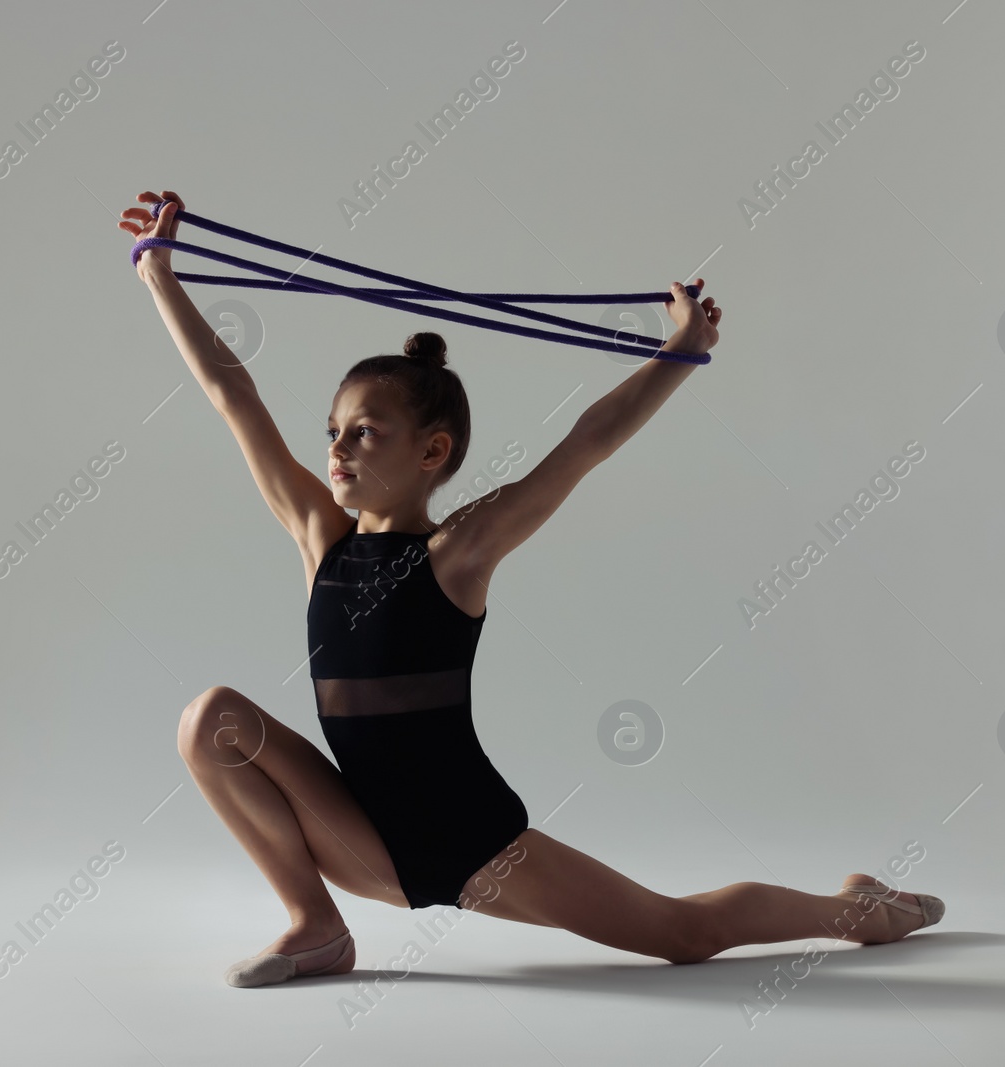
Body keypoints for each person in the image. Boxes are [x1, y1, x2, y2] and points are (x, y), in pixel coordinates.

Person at [119, 189, 943, 987]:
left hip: (472, 844)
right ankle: (318, 926)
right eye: (333, 432)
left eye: (365, 432)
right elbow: (235, 397)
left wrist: (682, 352)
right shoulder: (318, 538)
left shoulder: (458, 553)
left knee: (684, 933)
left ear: (432, 452)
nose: (339, 449)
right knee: (211, 720)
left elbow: (585, 444)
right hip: (360, 837)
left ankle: (856, 910)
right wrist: (161, 275)